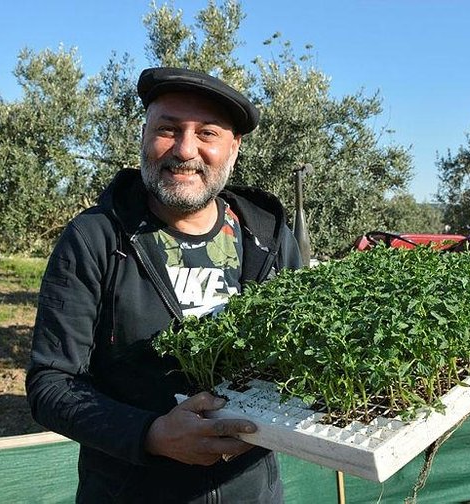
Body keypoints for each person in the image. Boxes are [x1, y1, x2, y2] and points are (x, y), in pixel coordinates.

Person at [26, 67, 302, 503]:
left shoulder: (266, 238)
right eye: (168, 129)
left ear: (234, 148)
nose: (185, 149)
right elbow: (51, 383)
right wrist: (151, 435)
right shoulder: (96, 239)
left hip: (252, 491)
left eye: (207, 133)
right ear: (144, 135)